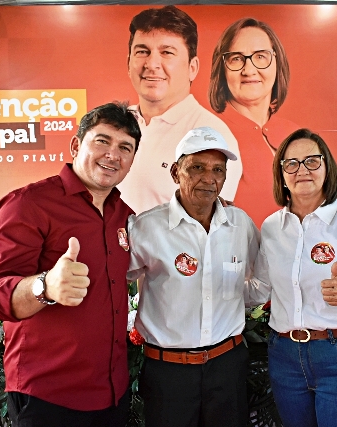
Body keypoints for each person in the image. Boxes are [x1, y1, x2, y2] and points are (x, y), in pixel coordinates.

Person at [0, 102, 141, 427]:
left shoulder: (125, 215)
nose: (113, 155)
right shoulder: (28, 204)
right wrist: (45, 286)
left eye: (125, 148)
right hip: (48, 396)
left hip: (113, 393)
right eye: (102, 141)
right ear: (75, 145)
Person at [250, 128, 337, 427]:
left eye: (312, 161)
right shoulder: (272, 227)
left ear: (328, 168)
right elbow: (259, 290)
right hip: (286, 357)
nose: (302, 170)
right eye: (291, 163)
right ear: (281, 175)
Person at [127, 126, 259, 427]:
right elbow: (115, 283)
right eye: (197, 167)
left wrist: (236, 298)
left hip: (227, 368)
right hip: (168, 373)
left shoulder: (240, 224)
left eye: (218, 170)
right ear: (176, 172)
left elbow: (262, 278)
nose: (209, 179)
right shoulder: (146, 227)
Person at [117, 5, 242, 214]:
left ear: (192, 68)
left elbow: (210, 222)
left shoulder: (212, 134)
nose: (152, 64)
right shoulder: (116, 123)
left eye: (167, 52)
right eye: (142, 51)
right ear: (129, 63)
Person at [209, 18, 299, 228]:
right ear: (222, 69)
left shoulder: (297, 135)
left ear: (277, 62)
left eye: (260, 56)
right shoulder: (210, 134)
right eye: (236, 59)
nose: (249, 70)